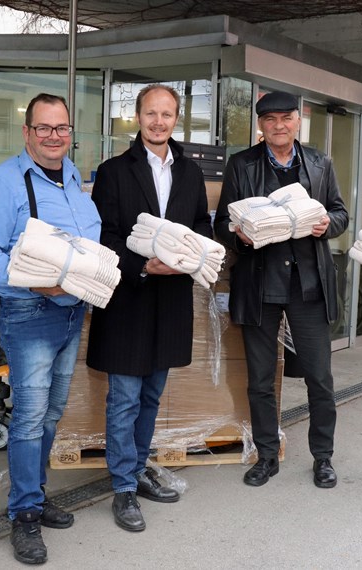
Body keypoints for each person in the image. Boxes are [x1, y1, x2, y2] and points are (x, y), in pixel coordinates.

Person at [0, 93, 101, 565]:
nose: (53, 136)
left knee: (51, 412)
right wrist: (34, 281)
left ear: (71, 134)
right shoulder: (4, 181)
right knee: (27, 416)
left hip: (71, 312)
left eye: (61, 128)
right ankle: (23, 514)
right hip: (28, 314)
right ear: (26, 132)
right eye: (43, 128)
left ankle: (36, 494)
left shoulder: (70, 178)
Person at [86, 84, 212, 532]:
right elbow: (106, 236)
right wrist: (144, 264)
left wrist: (186, 254)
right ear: (136, 117)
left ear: (177, 118)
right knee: (123, 399)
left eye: (168, 114)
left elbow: (200, 223)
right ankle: (122, 488)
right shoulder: (114, 171)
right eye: (151, 114)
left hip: (171, 299)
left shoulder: (192, 174)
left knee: (152, 395)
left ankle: (137, 471)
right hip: (129, 299)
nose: (159, 122)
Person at [214, 91, 349, 489]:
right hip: (260, 283)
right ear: (260, 125)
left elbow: (340, 212)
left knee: (319, 377)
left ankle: (322, 457)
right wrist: (240, 235)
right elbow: (222, 222)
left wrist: (330, 225)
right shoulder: (241, 164)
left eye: (285, 118)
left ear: (298, 121)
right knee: (260, 378)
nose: (278, 125)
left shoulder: (320, 163)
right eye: (269, 119)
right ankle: (267, 455)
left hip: (308, 284)